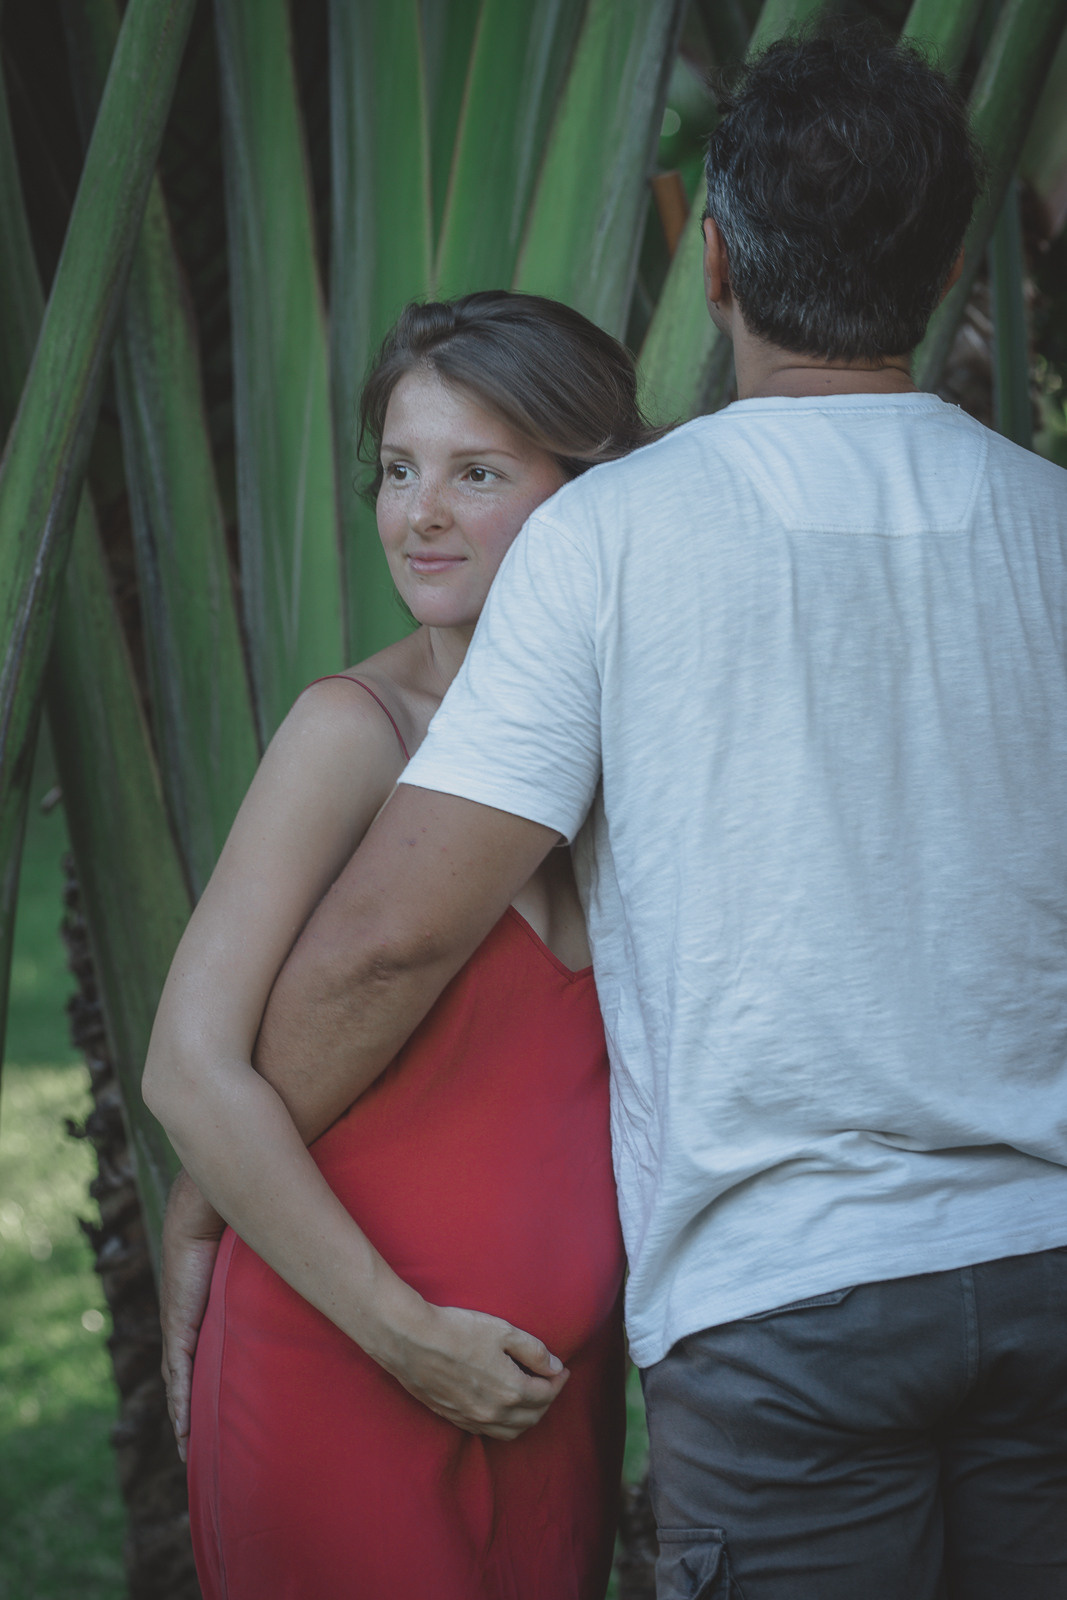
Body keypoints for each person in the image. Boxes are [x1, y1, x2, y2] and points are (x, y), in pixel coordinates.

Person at [196, 30, 1067, 1600]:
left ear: (716, 259)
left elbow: (390, 941)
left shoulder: (613, 537)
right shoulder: (1054, 533)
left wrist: (220, 1170)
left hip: (786, 1310)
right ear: (946, 265)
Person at [143, 291, 664, 1600]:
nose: (418, 513)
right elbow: (185, 1069)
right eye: (397, 468)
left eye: (475, 472)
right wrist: (407, 1337)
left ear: (585, 493)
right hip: (342, 1367)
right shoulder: (353, 733)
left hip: (553, 1406)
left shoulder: (643, 742)